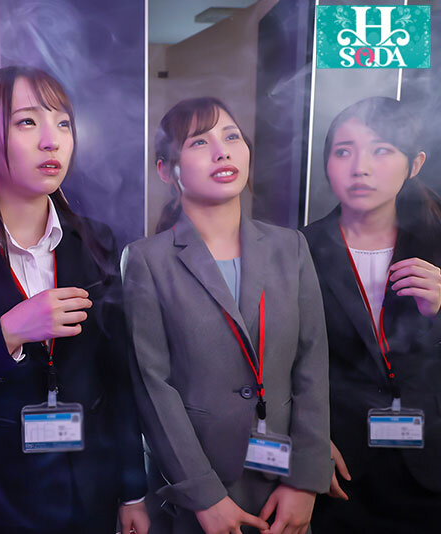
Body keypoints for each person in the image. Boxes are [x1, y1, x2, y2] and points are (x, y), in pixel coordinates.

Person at [0, 66, 149, 534]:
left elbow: (118, 378)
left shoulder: (97, 241)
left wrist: (133, 491)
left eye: (63, 123)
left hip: (90, 490)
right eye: (26, 122)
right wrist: (8, 332)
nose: (51, 140)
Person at [123, 97, 331, 534]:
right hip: (195, 494)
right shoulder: (147, 260)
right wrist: (204, 496)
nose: (222, 151)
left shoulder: (290, 247)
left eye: (232, 136)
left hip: (283, 488)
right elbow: (153, 387)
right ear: (166, 170)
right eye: (200, 142)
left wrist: (305, 481)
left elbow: (311, 367)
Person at [304, 97, 441, 534]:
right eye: (344, 151)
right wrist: (308, 442)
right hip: (339, 466)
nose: (360, 167)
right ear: (327, 163)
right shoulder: (297, 249)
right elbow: (279, 360)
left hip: (432, 463)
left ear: (415, 163)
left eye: (381, 150)